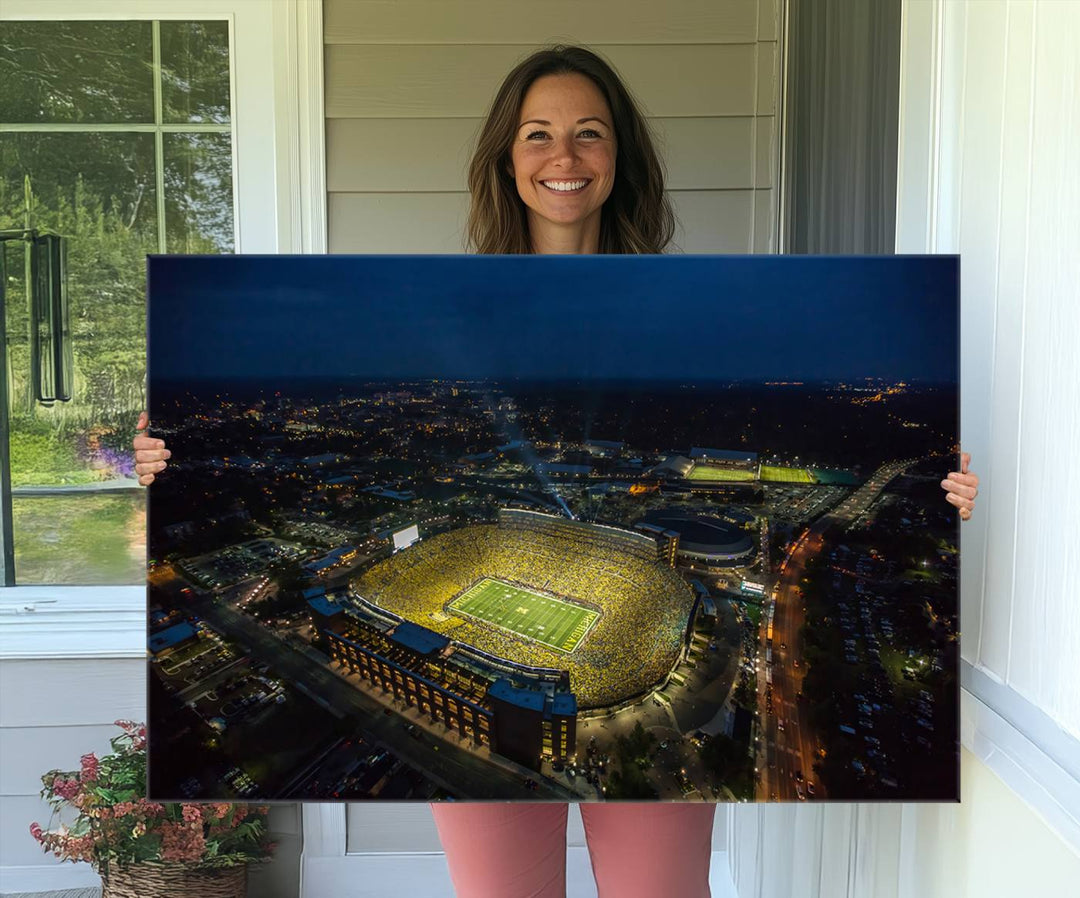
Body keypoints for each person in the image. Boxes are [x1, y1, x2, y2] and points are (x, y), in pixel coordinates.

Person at [134, 45, 980, 898]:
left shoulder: (678, 305)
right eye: (537, 134)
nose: (564, 157)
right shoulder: (452, 307)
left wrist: (941, 495)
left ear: (621, 157)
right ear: (507, 157)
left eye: (589, 134)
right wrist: (166, 465)